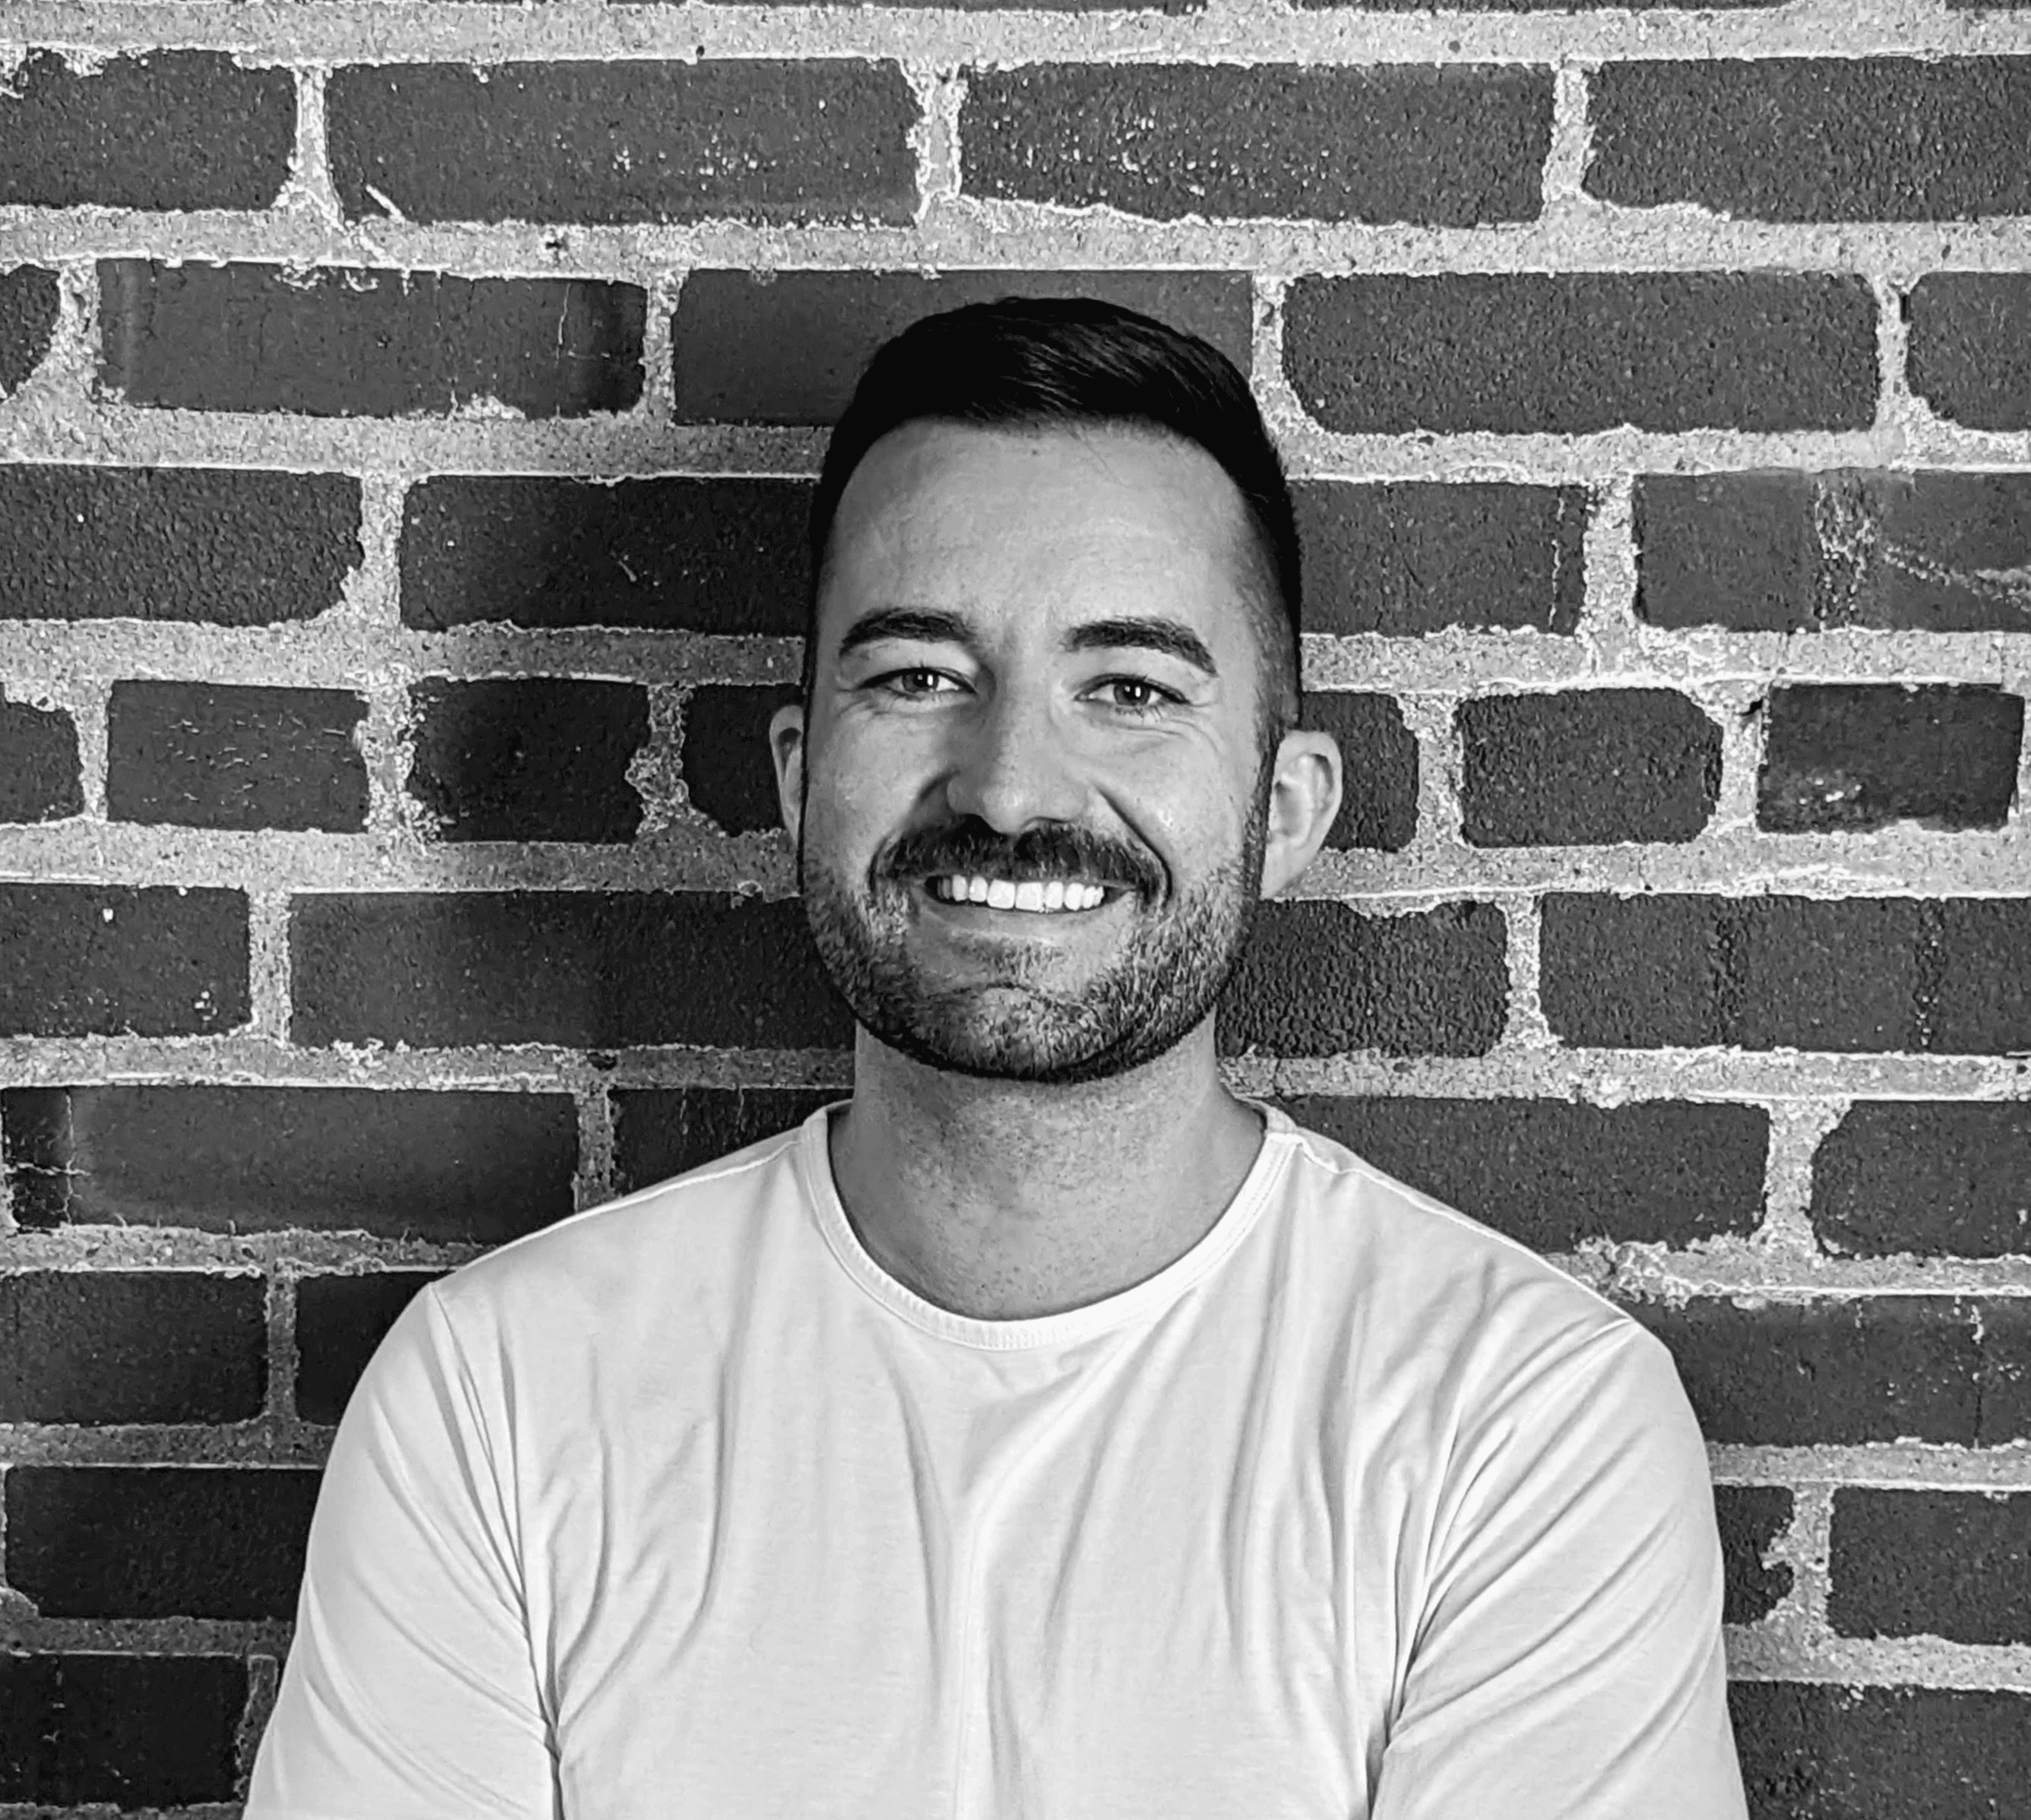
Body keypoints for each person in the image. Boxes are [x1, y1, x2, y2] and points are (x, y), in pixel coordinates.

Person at [246, 298, 1746, 1818]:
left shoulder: (1524, 1430)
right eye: (917, 677)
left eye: (1131, 689)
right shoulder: (502, 1400)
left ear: (1284, 811)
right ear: (800, 774)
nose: (1015, 785)